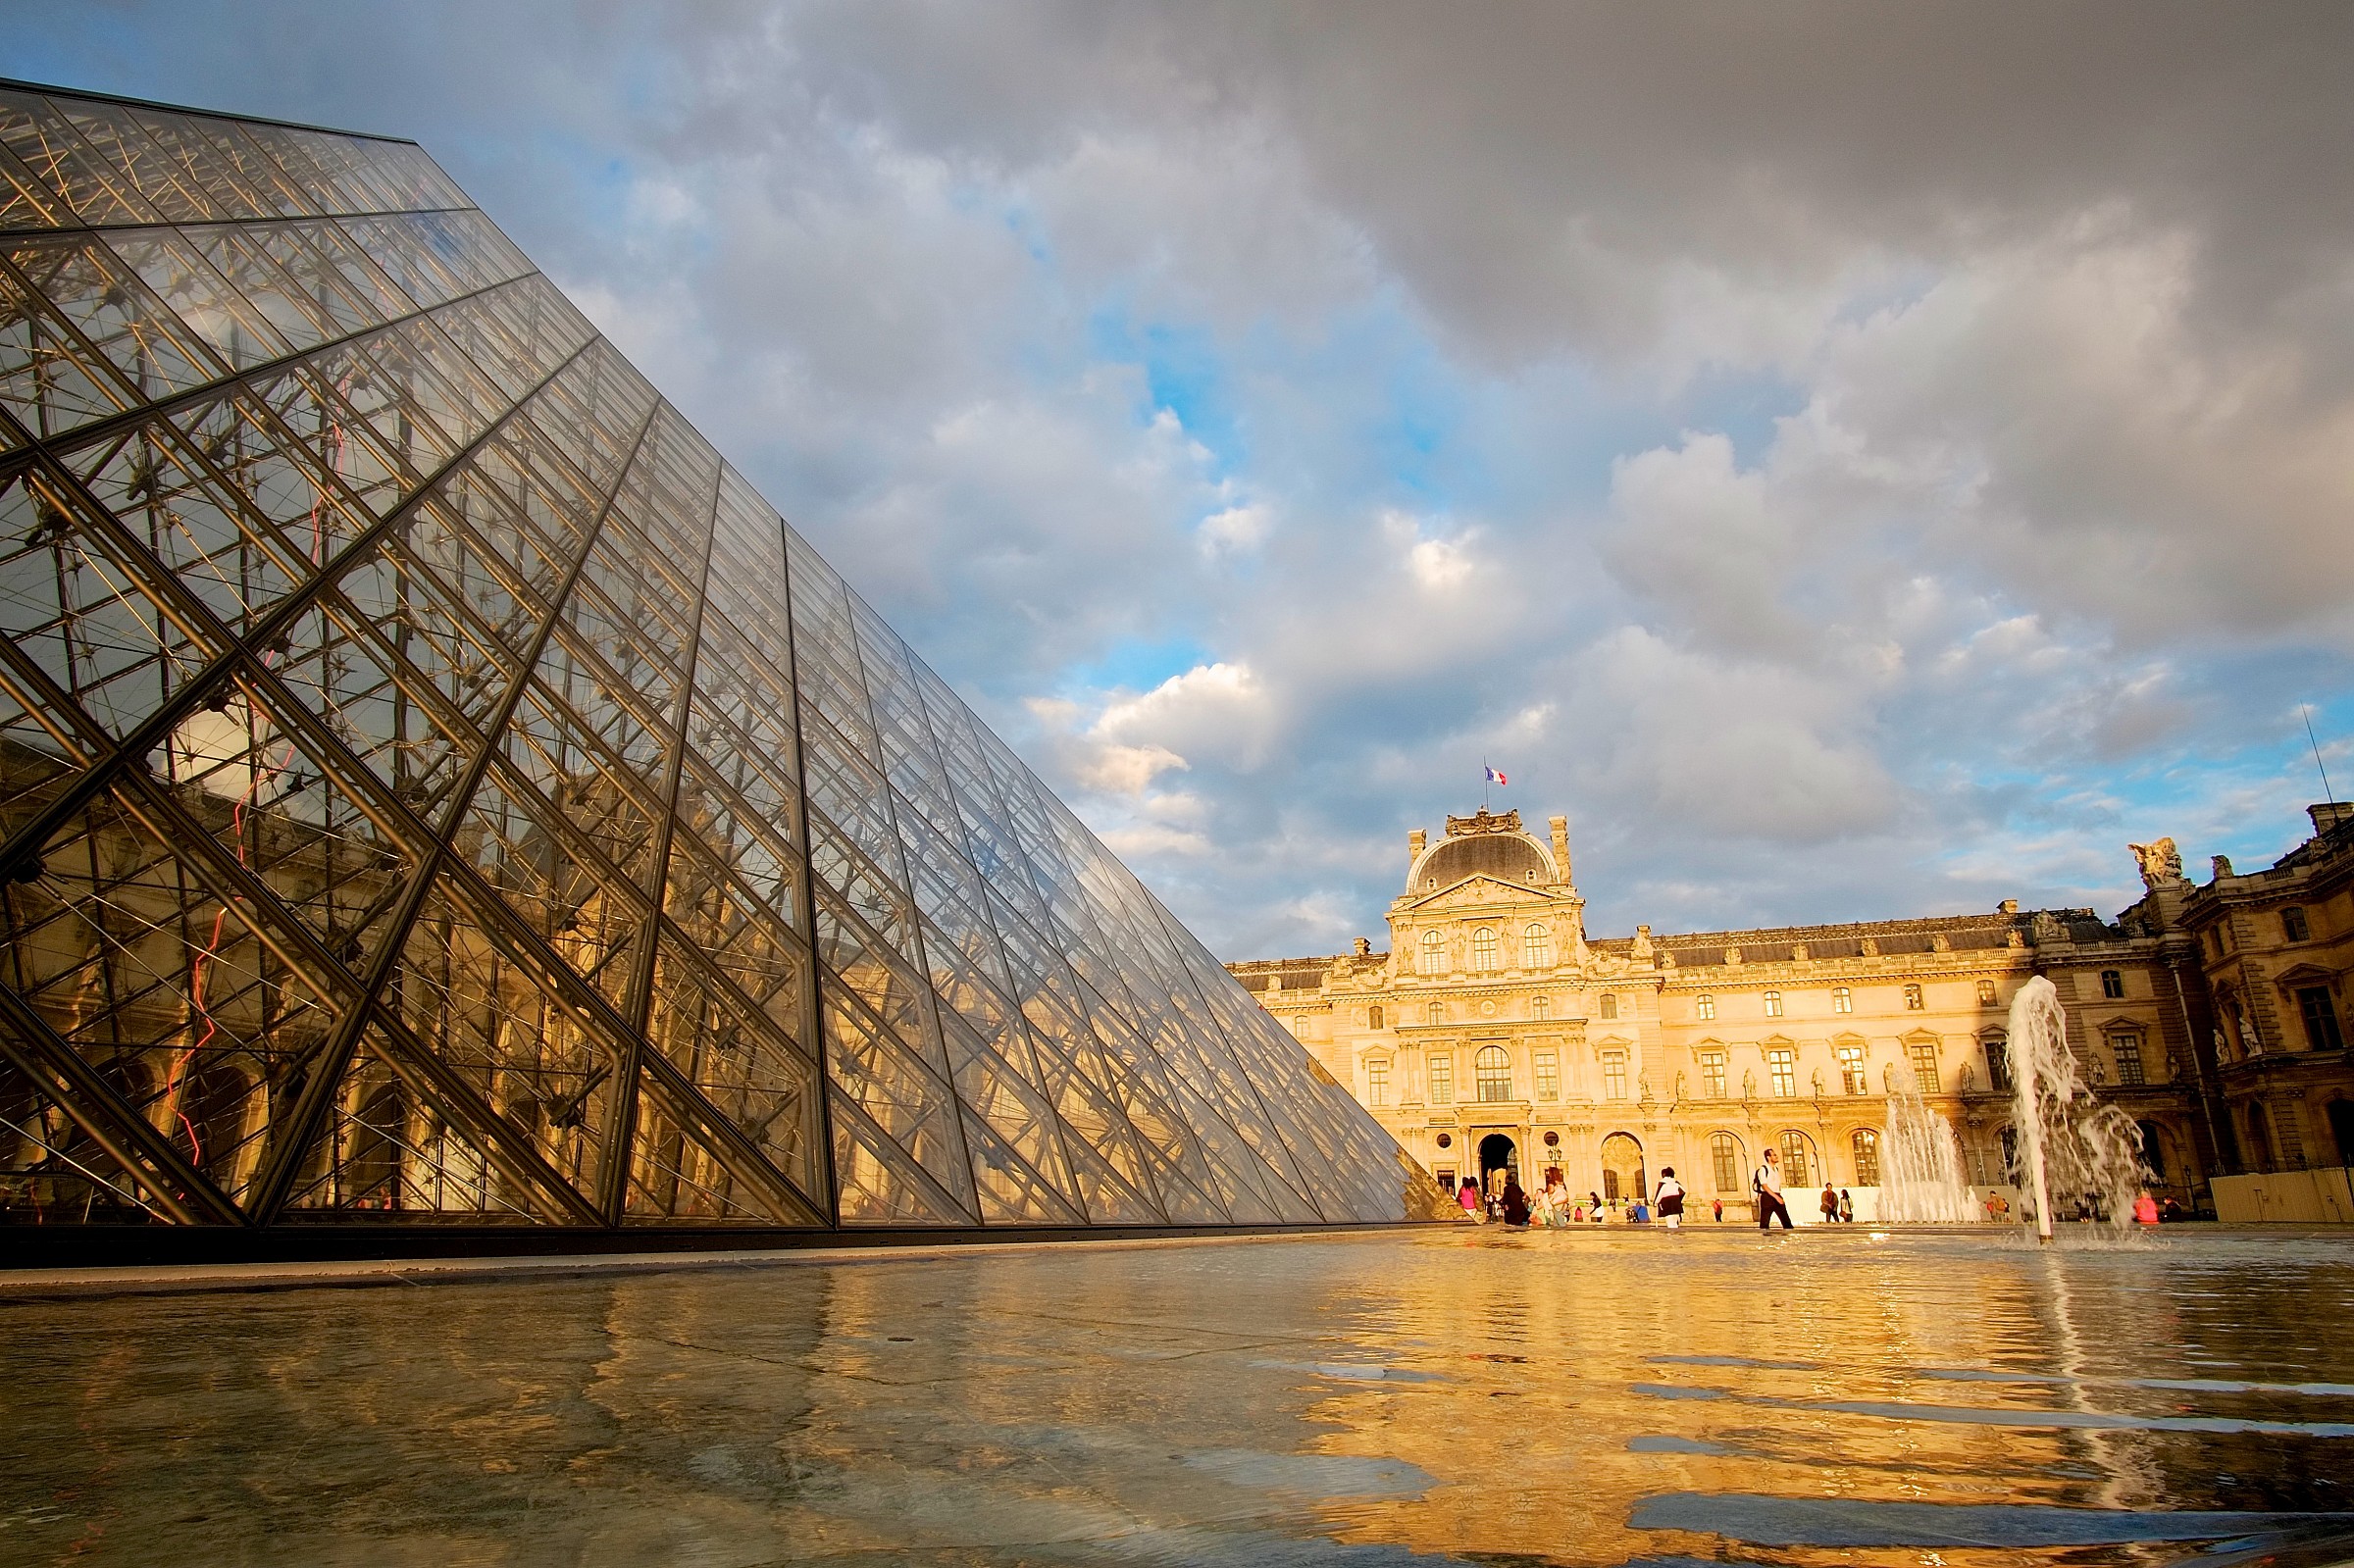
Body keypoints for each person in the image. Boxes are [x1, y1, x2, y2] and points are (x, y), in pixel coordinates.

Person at [1754, 1146, 1793, 1230]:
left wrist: (1778, 1196)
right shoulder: (1763, 1169)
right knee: (1765, 1223)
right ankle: (1765, 1240)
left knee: (1787, 1222)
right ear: (1768, 1157)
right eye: (1774, 1155)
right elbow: (1764, 1186)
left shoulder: (1776, 1169)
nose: (1776, 1156)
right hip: (1767, 1197)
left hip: (1777, 1195)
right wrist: (1776, 1197)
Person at [1655, 1166, 1686, 1230]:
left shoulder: (1663, 1183)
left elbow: (1660, 1194)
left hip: (1667, 1204)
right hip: (1676, 1205)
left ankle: (1671, 1237)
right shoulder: (1675, 1182)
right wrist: (1678, 1199)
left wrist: (1656, 1202)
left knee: (1670, 1222)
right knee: (1675, 1222)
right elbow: (1683, 1191)